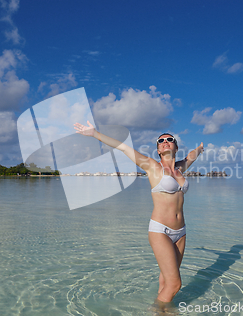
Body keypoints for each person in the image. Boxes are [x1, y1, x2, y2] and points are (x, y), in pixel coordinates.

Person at [74, 121, 203, 303]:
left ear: (175, 147)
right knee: (175, 285)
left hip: (181, 232)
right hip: (161, 231)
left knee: (166, 280)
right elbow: (123, 148)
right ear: (158, 150)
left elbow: (191, 156)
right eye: (161, 141)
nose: (165, 141)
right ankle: (155, 311)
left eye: (169, 139)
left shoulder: (180, 169)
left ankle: (164, 311)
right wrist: (95, 134)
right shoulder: (152, 166)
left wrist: (200, 149)